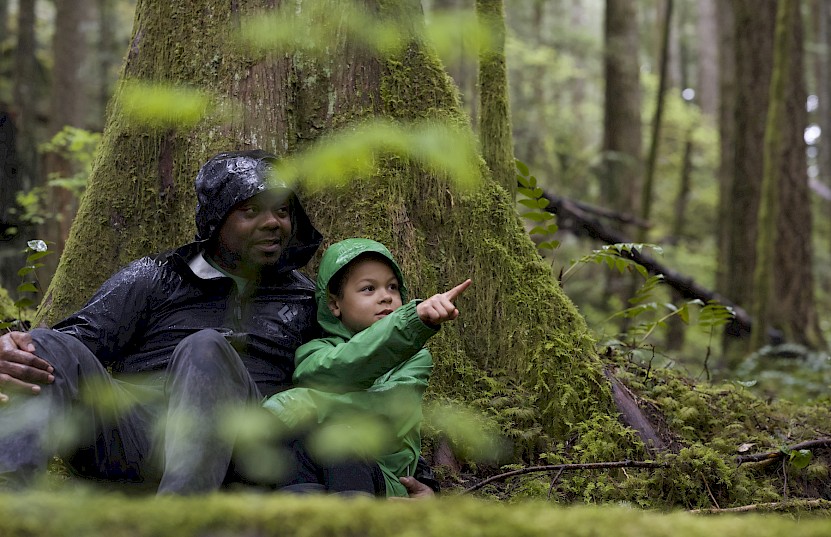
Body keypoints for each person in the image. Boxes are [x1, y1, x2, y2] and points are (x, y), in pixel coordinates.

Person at [0, 149, 328, 493]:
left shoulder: (304, 299)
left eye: (282, 211)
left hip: (243, 448)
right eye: (250, 210)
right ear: (217, 220)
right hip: (140, 438)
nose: (273, 223)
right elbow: (72, 346)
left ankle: (179, 518)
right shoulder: (156, 277)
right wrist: (18, 350)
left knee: (206, 348)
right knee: (46, 344)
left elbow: (341, 375)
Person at [263, 238, 470, 497]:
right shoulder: (313, 352)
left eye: (393, 287)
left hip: (383, 476)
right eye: (368, 289)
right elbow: (342, 367)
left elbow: (385, 411)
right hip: (317, 476)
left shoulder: (415, 358)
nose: (385, 297)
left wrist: (299, 402)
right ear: (334, 304)